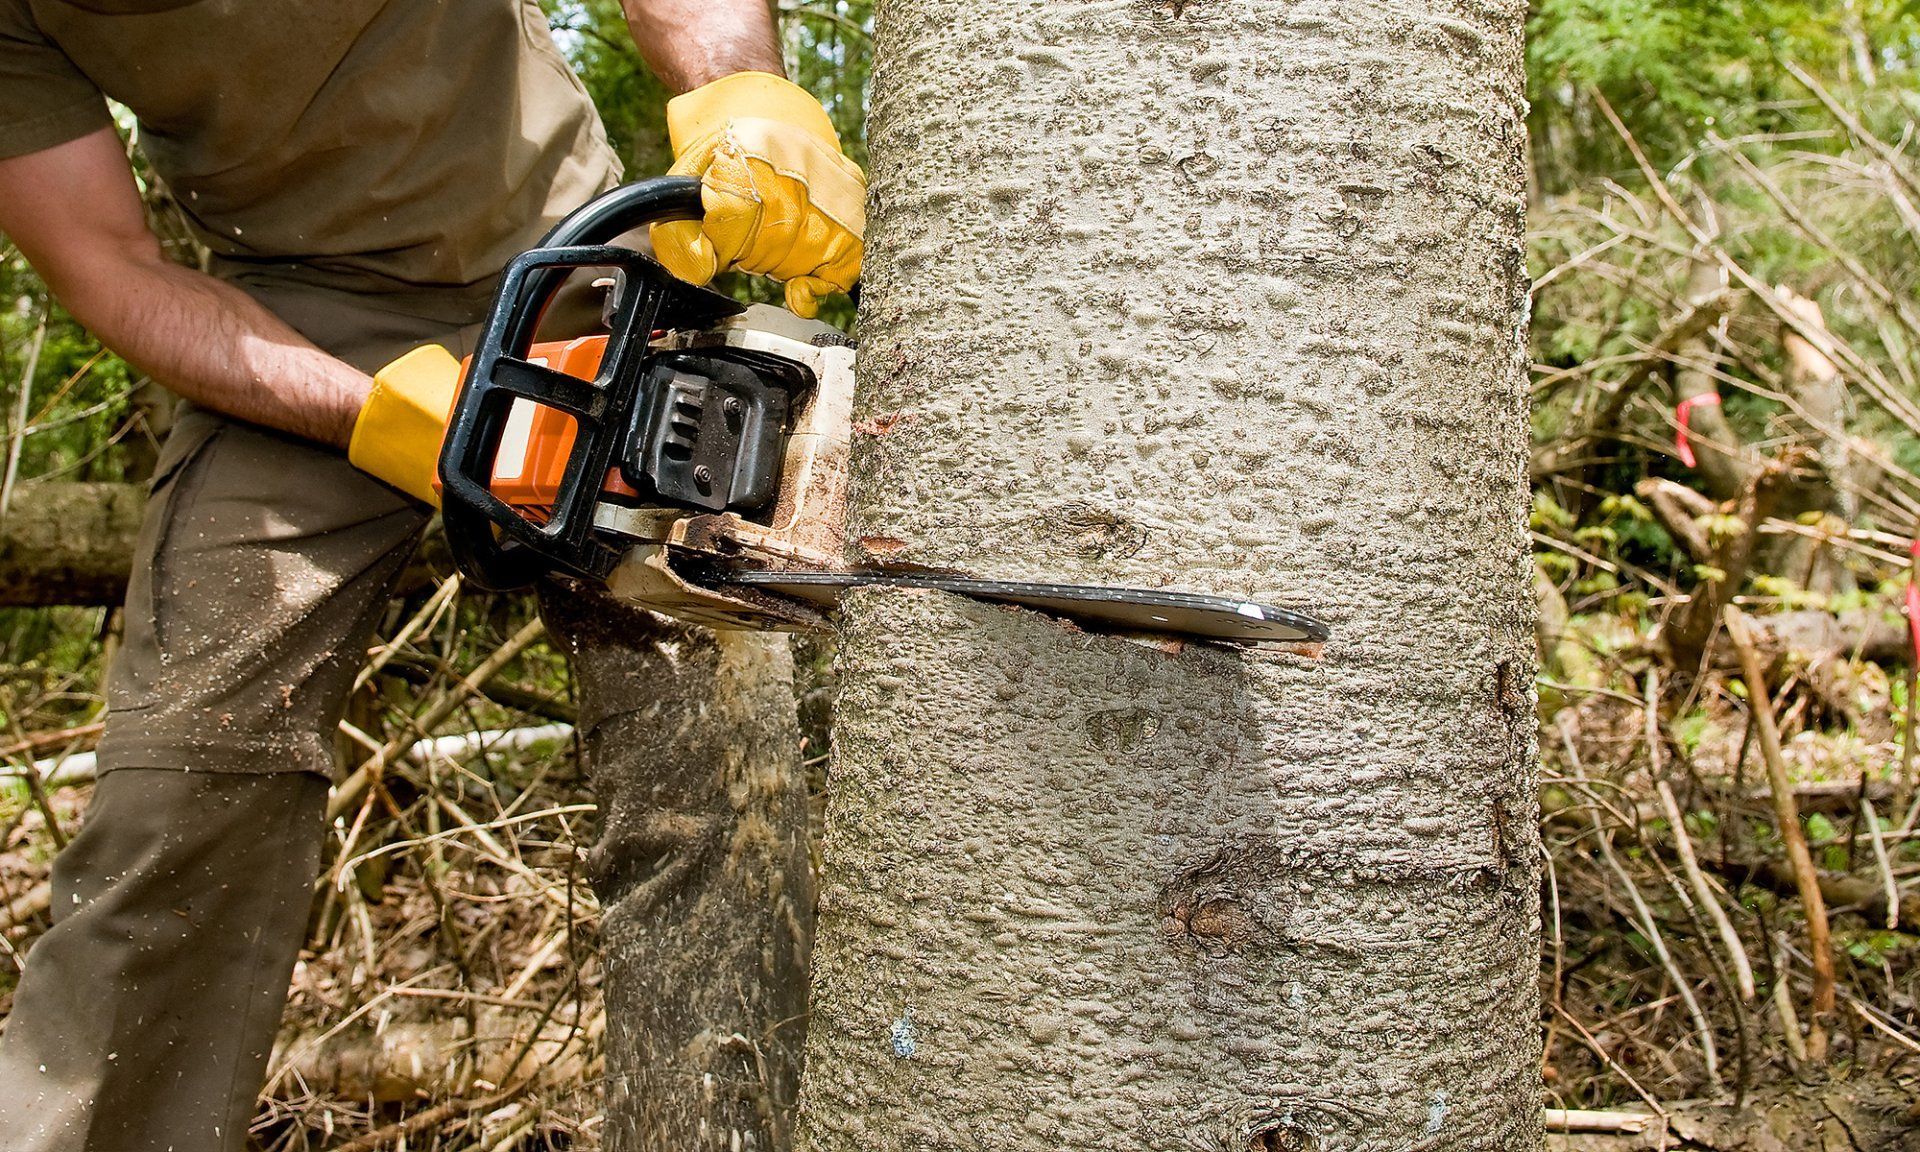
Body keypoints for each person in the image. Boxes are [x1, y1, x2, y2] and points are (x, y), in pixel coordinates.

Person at [0, 1, 864, 1148]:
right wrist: (377, 418)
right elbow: (105, 266)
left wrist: (745, 95)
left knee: (709, 767)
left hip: (577, 263)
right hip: (284, 318)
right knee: (190, 783)